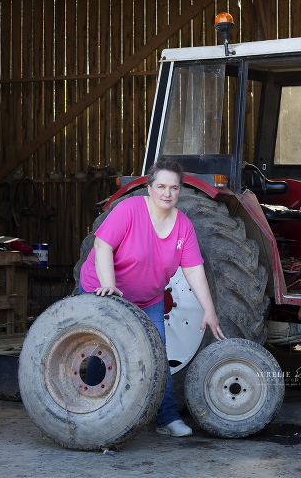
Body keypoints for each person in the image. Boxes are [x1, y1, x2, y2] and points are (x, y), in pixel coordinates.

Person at [79, 155, 226, 437]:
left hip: (148, 299)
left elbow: (195, 271)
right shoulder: (129, 210)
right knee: (103, 348)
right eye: (161, 187)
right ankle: (92, 411)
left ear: (180, 190)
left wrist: (209, 310)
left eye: (173, 188)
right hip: (104, 291)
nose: (167, 193)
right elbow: (102, 245)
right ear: (149, 187)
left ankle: (167, 419)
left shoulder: (184, 226)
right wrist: (108, 286)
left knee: (158, 354)